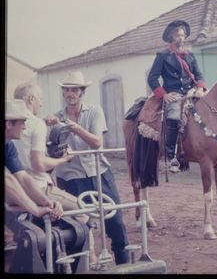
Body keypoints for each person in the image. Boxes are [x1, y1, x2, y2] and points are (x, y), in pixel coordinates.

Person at [45, 71, 130, 265]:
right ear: (63, 93)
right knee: (79, 227)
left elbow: (97, 142)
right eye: (67, 90)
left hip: (99, 172)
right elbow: (50, 149)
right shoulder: (55, 118)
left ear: (83, 92)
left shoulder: (95, 111)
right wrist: (50, 127)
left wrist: (74, 128)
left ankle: (124, 265)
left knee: (115, 221)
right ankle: (83, 266)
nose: (70, 94)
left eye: (75, 90)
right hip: (71, 177)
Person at [12, 81, 97, 264]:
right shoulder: (36, 124)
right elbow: (38, 164)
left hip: (14, 191)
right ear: (31, 99)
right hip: (38, 187)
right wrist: (63, 159)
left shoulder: (11, 125)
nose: (41, 103)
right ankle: (89, 259)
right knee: (86, 209)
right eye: (40, 99)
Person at [147, 20, 207, 172]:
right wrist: (164, 95)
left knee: (210, 109)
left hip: (191, 92)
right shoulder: (162, 55)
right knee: (173, 118)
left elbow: (198, 75)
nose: (181, 38)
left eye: (183, 35)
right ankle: (171, 157)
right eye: (178, 35)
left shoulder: (190, 55)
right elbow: (152, 78)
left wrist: (200, 88)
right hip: (174, 95)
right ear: (171, 37)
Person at [5, 99, 63, 221]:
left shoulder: (9, 146)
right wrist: (35, 209)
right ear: (9, 124)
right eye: (22, 123)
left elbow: (23, 178)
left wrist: (47, 202)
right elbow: (8, 180)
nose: (25, 127)